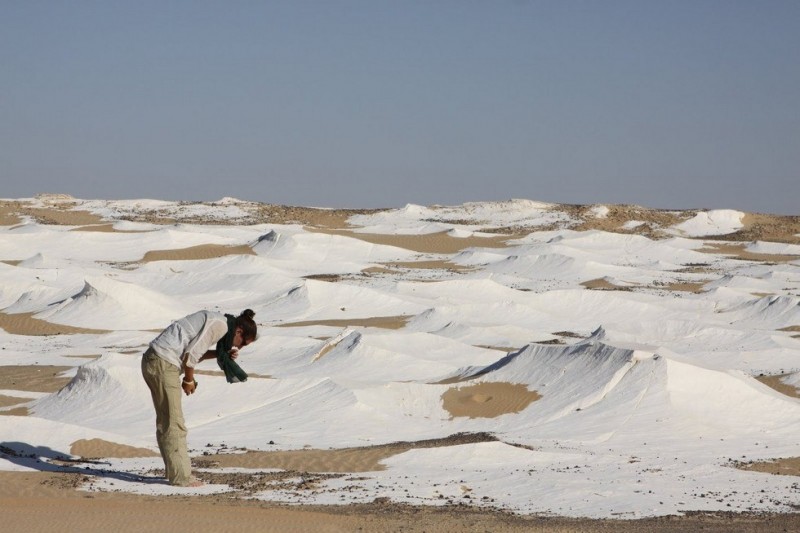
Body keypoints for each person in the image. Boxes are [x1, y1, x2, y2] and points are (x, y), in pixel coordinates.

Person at [141, 309, 258, 487]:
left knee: (166, 420)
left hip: (155, 361)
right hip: (164, 364)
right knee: (174, 423)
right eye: (243, 343)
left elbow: (195, 352)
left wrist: (220, 354)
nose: (239, 347)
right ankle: (181, 477)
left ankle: (173, 471)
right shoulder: (220, 325)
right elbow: (191, 356)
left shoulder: (219, 322)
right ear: (239, 331)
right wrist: (188, 380)